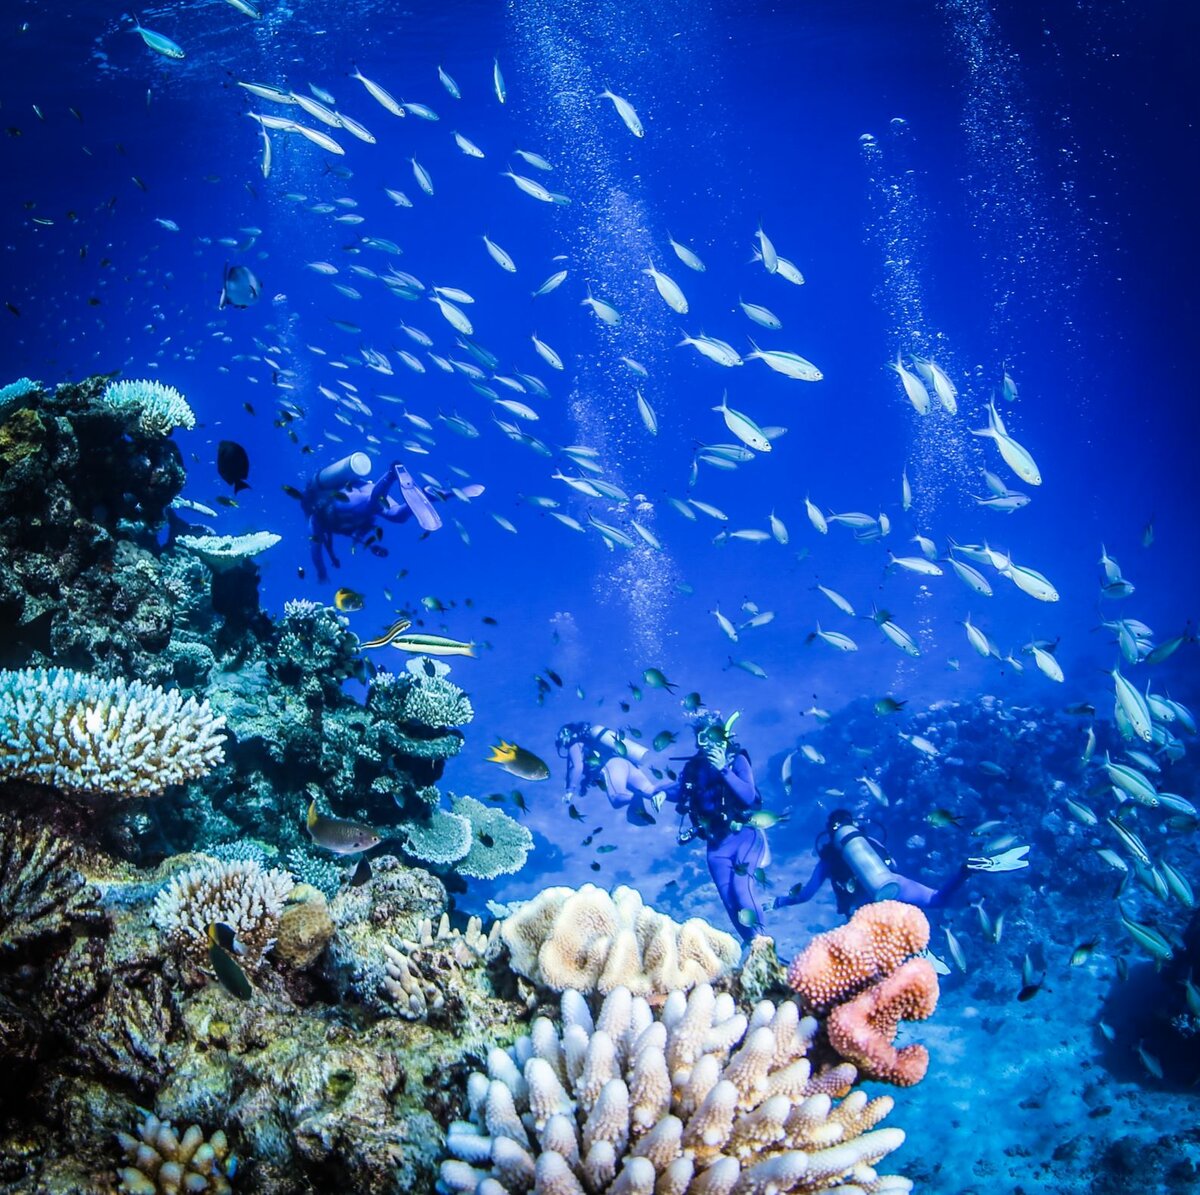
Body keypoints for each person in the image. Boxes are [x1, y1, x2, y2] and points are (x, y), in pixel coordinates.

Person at [772, 808, 1029, 917]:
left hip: (862, 906)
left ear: (830, 834)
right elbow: (890, 862)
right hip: (892, 883)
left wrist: (780, 901)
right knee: (937, 900)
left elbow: (805, 895)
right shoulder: (868, 841)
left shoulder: (828, 859)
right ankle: (966, 869)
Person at [655, 708, 771, 943]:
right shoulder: (693, 768)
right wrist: (660, 794)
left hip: (744, 836)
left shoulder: (735, 759)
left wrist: (723, 769)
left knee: (742, 890)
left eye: (713, 736)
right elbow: (681, 791)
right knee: (730, 902)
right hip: (715, 846)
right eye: (702, 737)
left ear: (724, 736)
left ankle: (765, 943)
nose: (708, 743)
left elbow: (749, 797)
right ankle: (755, 948)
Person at [301, 452, 484, 582]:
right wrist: (333, 558)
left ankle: (390, 474)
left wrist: (321, 572)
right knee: (397, 516)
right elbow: (328, 543)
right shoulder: (321, 520)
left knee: (372, 503)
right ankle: (431, 494)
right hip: (366, 489)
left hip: (349, 499)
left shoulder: (314, 519)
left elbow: (315, 550)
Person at [557, 723, 662, 824]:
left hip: (612, 766)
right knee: (651, 791)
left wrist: (569, 791)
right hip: (626, 763)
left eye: (560, 736)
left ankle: (636, 799)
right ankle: (669, 791)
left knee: (616, 798)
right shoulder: (589, 743)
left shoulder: (575, 746)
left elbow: (577, 767)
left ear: (567, 733)